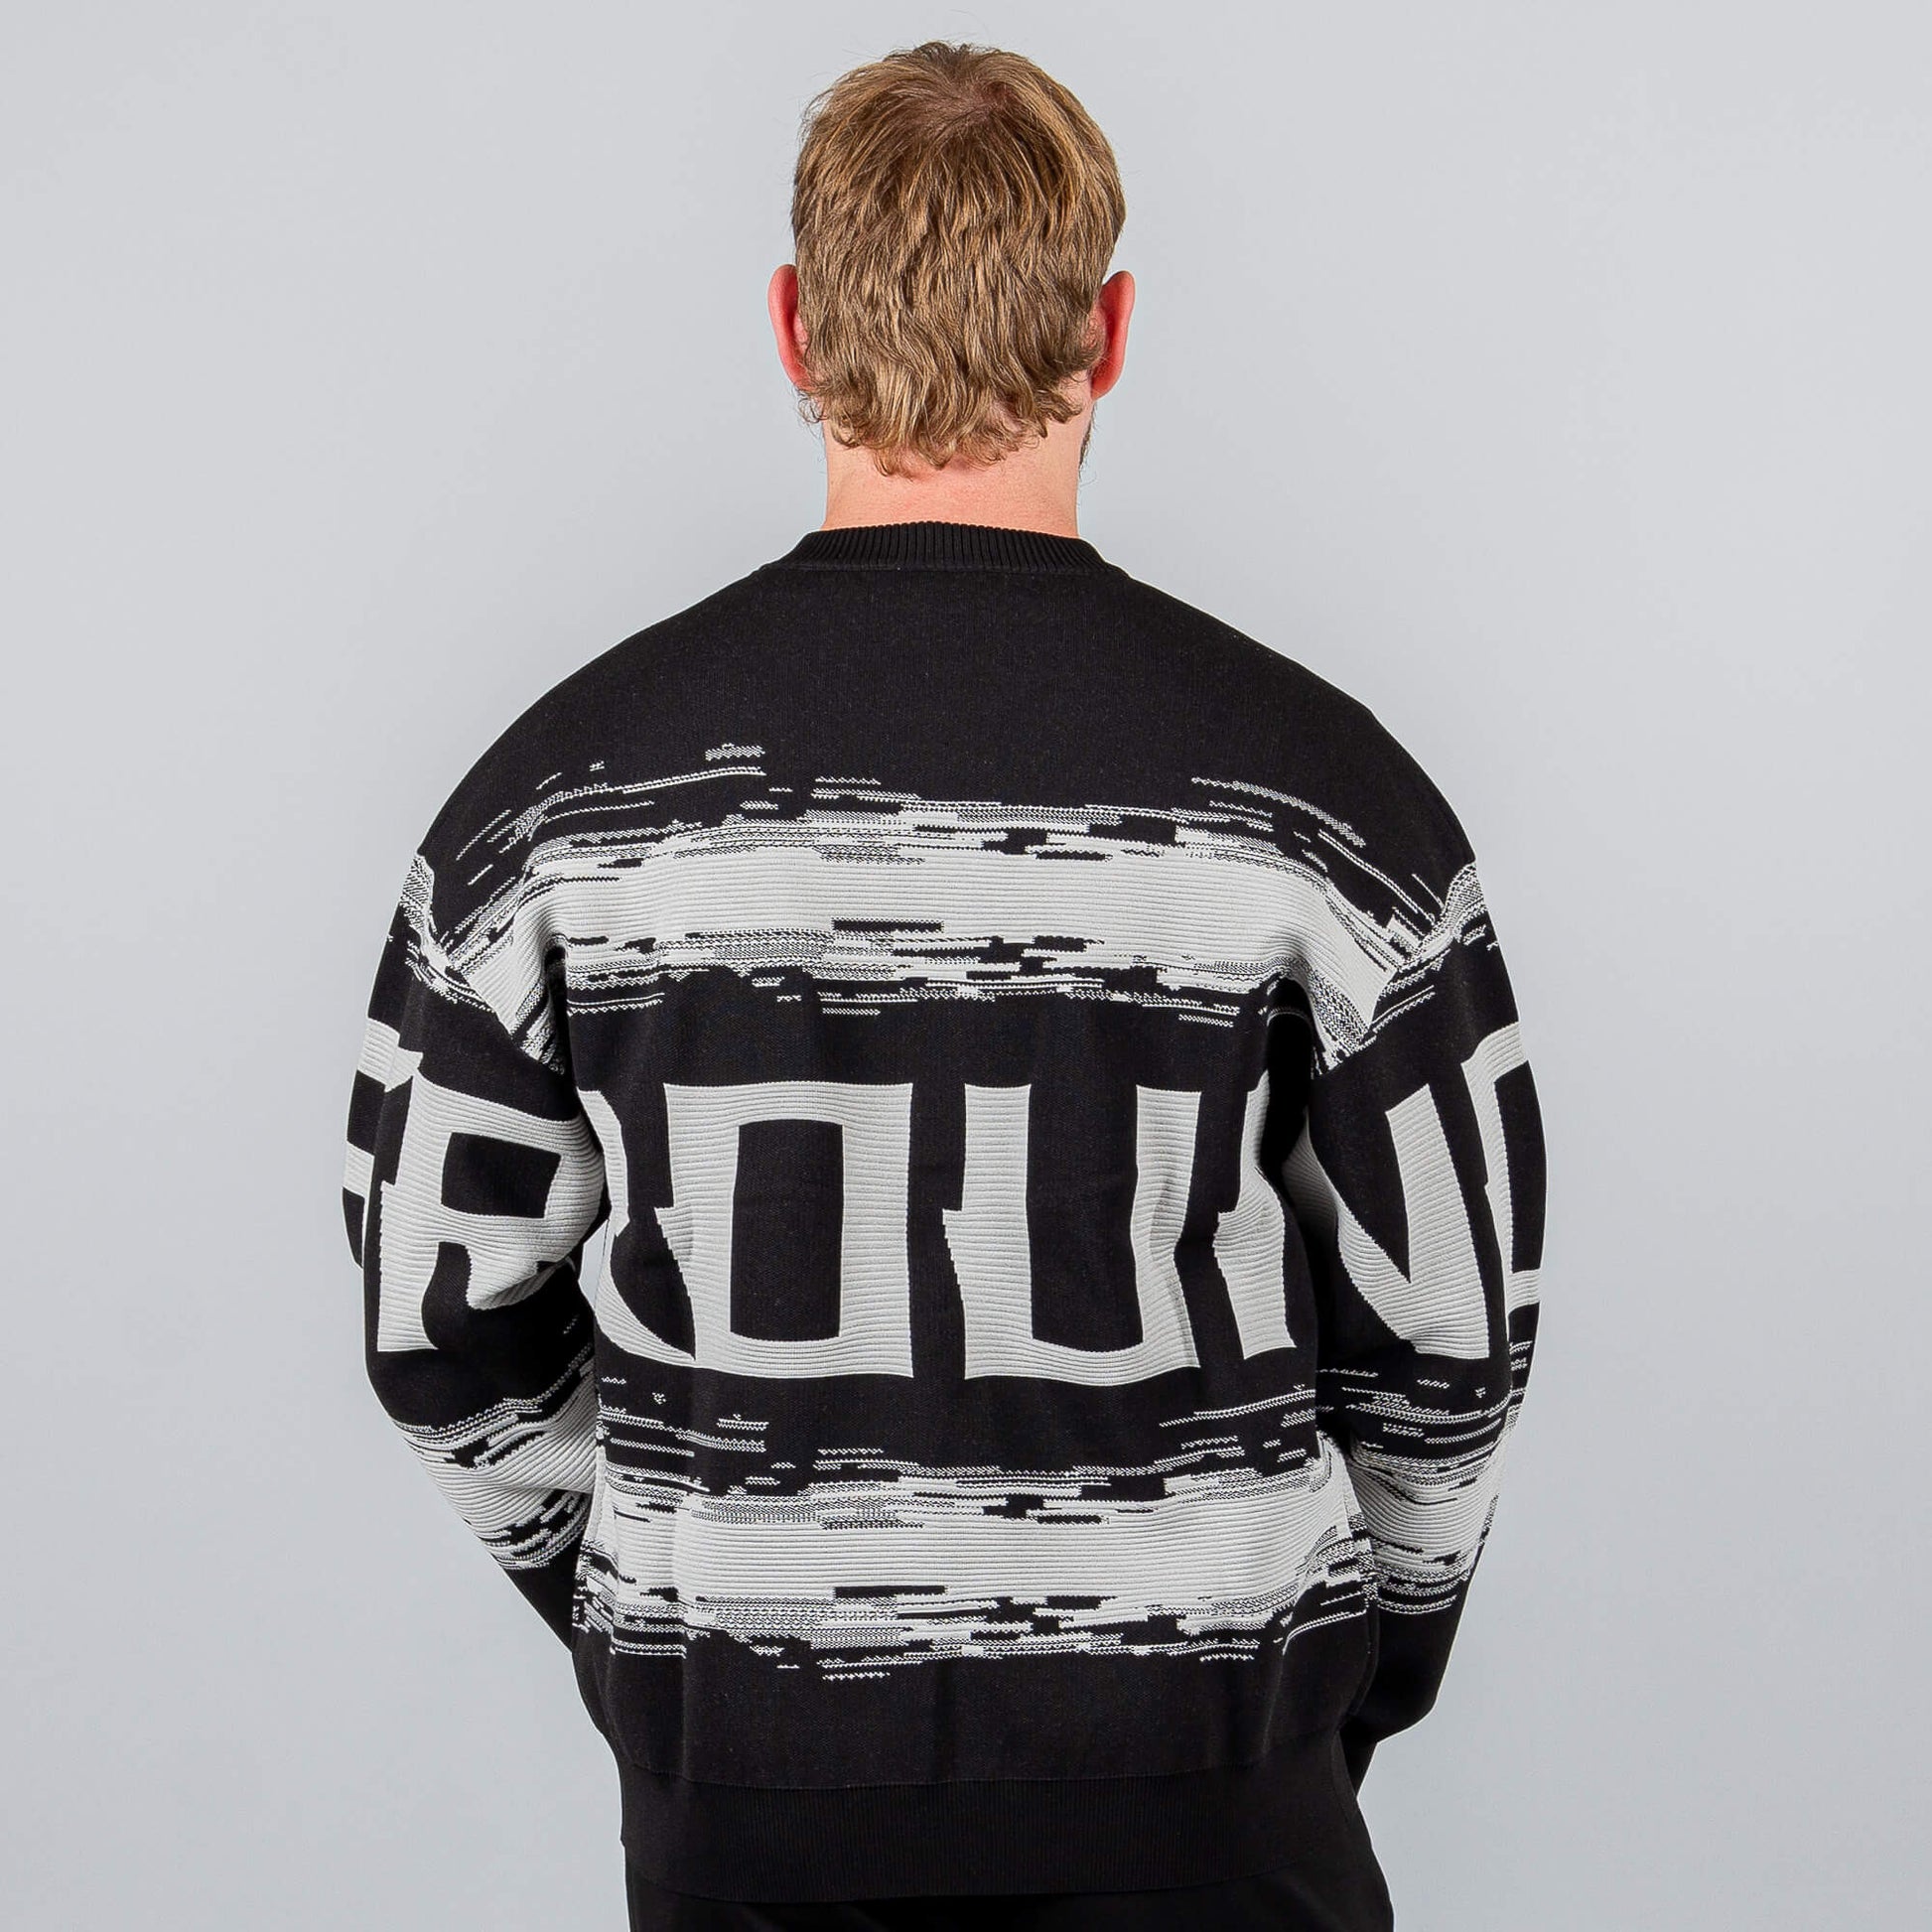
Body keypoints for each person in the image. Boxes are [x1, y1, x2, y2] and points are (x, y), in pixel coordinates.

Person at [341, 40, 1546, 1932]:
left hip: (748, 1799)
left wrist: (666, 1618)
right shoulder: (1318, 801)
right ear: (1110, 333)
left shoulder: (561, 808)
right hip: (1208, 1777)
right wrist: (1340, 1673)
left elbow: (436, 1318)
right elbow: (1452, 1335)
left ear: (793, 327)